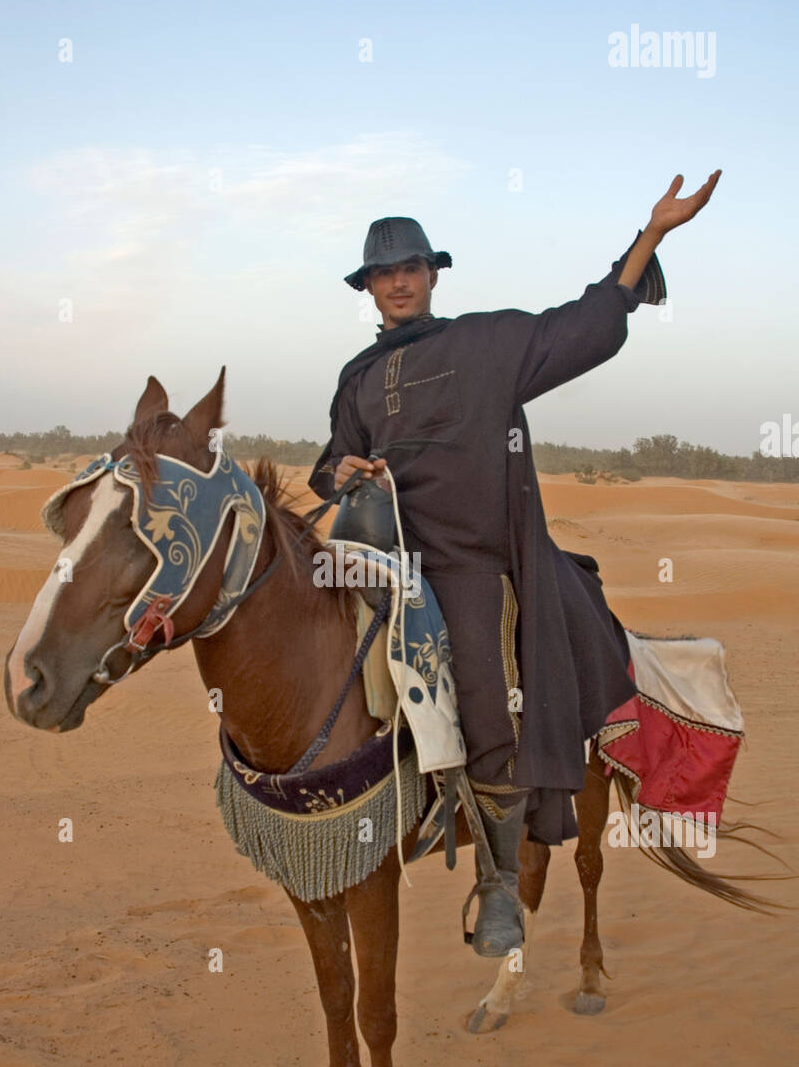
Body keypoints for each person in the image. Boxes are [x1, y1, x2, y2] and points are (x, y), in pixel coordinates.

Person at [308, 174, 721, 955]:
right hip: (383, 558)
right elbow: (331, 461)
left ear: (432, 276)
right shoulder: (356, 378)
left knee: (486, 695)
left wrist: (652, 234)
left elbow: (582, 329)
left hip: (467, 561)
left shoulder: (485, 344)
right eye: (381, 274)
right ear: (367, 289)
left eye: (410, 269)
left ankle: (499, 883)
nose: (396, 283)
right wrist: (345, 475)